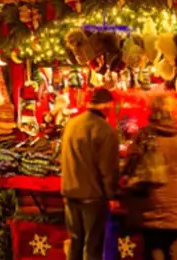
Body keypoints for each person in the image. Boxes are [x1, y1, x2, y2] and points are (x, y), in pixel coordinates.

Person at [124, 95, 177, 260]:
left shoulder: (145, 136)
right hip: (176, 202)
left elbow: (130, 165)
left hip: (152, 201)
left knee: (154, 244)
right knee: (173, 241)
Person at [61, 87, 120, 260]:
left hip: (70, 193)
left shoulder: (71, 124)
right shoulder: (105, 130)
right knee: (92, 245)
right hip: (92, 197)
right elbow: (108, 169)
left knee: (75, 242)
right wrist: (113, 196)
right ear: (106, 106)